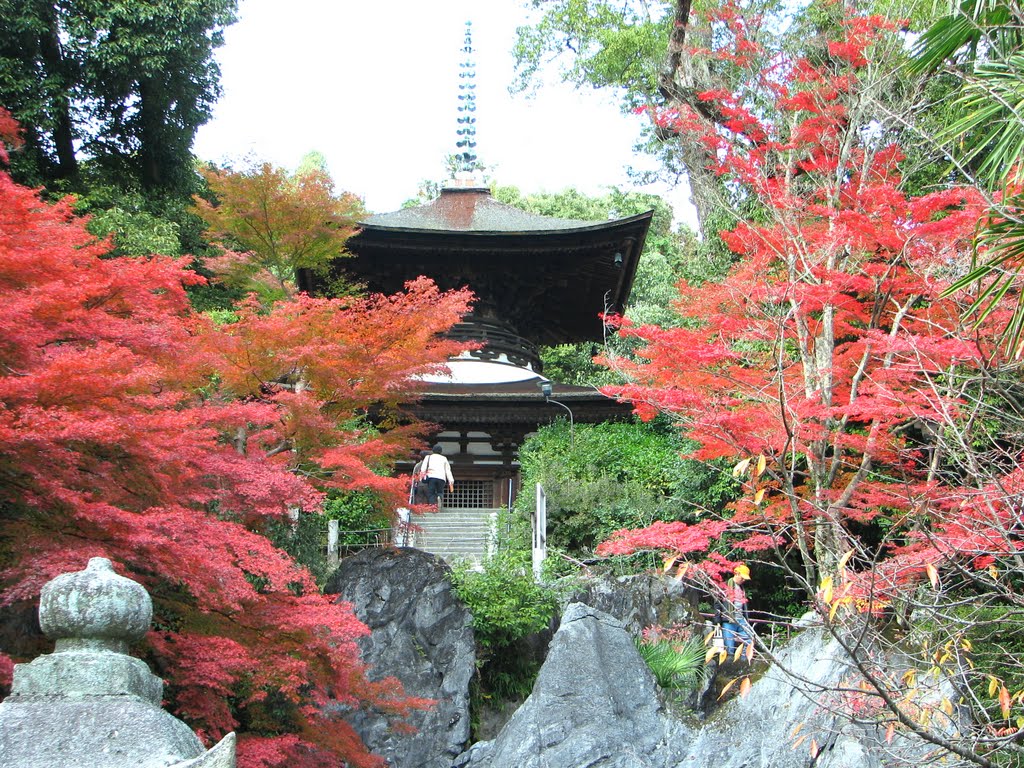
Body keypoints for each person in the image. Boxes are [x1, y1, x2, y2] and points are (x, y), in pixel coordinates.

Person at [716, 563, 752, 656]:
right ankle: (730, 666)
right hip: (728, 620)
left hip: (741, 619)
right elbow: (717, 603)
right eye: (742, 577)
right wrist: (717, 621)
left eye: (745, 578)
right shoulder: (725, 586)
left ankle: (744, 661)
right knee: (729, 648)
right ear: (737, 574)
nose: (743, 580)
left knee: (748, 641)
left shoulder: (742, 588)